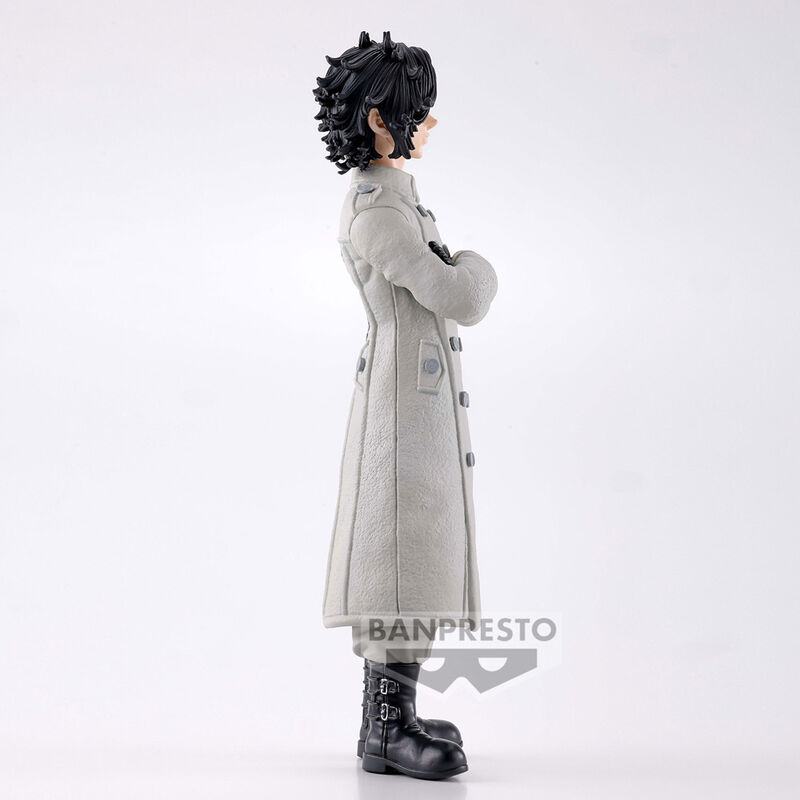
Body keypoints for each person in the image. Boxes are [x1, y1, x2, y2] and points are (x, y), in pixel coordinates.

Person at [313, 30, 498, 780]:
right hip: (400, 409)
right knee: (396, 560)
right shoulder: (379, 212)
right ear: (380, 119)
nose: (429, 123)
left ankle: (394, 719)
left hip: (412, 401)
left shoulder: (395, 199)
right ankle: (388, 728)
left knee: (415, 557)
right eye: (418, 111)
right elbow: (460, 296)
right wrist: (476, 264)